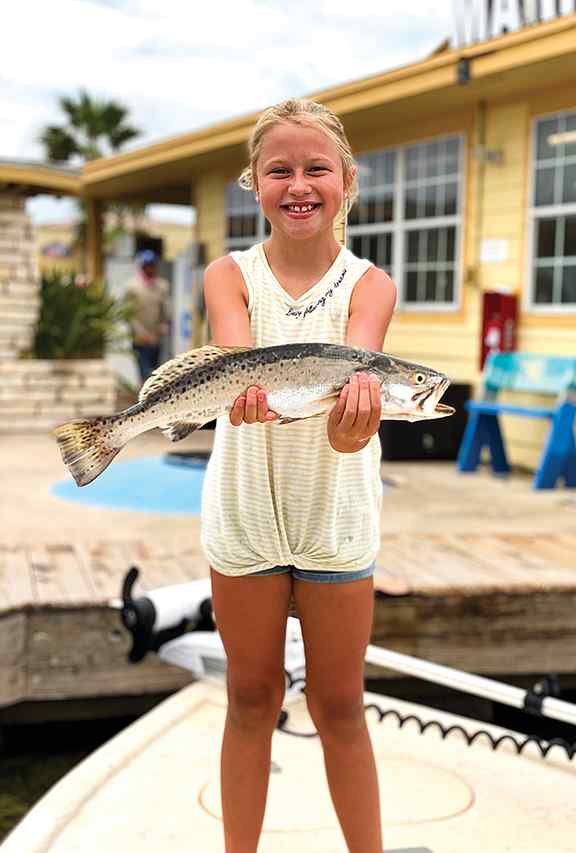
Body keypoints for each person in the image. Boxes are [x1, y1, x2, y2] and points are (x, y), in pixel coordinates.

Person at [201, 97, 396, 853]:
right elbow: (235, 357)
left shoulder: (369, 285)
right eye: (278, 168)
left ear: (347, 181)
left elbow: (359, 372)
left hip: (338, 517)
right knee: (250, 697)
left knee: (341, 704)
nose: (299, 183)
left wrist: (353, 434)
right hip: (245, 514)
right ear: (253, 183)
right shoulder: (230, 274)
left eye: (317, 167)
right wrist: (239, 392)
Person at [125, 249, 172, 382]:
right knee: (145, 372)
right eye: (147, 265)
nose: (150, 268)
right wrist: (140, 332)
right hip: (140, 338)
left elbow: (166, 309)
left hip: (156, 336)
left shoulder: (162, 286)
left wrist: (165, 325)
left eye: (152, 265)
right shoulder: (133, 287)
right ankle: (143, 399)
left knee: (156, 373)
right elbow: (129, 314)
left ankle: (153, 400)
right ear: (142, 267)